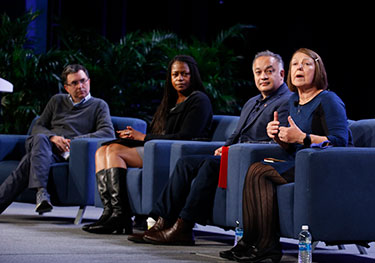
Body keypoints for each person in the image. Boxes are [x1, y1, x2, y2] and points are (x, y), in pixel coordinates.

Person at [127, 50, 292, 245]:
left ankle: (184, 226)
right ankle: (161, 222)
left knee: (211, 165)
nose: (263, 76)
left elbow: (278, 142)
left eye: (269, 71)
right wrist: (225, 147)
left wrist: (234, 151)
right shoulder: (252, 102)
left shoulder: (286, 101)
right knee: (186, 162)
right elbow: (235, 134)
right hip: (235, 155)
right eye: (258, 72)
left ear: (281, 74)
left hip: (255, 160)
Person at [220, 48, 352, 263]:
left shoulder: (328, 100)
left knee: (261, 172)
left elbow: (339, 142)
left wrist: (302, 137)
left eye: (306, 64)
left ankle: (266, 245)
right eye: (295, 64)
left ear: (318, 69)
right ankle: (250, 241)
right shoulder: (293, 102)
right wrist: (279, 136)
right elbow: (291, 147)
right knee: (255, 167)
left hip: (324, 167)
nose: (299, 68)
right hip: (301, 161)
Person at [82, 55, 213, 235]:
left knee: (114, 152)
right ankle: (109, 212)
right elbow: (158, 132)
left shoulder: (199, 100)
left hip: (175, 153)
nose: (180, 78)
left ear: (193, 76)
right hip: (159, 148)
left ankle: (121, 215)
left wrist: (143, 137)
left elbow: (187, 136)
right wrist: (133, 137)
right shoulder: (171, 101)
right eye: (175, 75)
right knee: (102, 150)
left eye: (185, 74)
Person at [0, 64, 115, 215]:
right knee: (40, 139)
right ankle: (41, 192)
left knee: (29, 162)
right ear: (67, 87)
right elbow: (38, 126)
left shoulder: (99, 105)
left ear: (89, 81)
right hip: (45, 145)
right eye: (74, 83)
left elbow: (107, 133)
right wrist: (53, 137)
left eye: (83, 81)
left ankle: (41, 192)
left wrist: (71, 141)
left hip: (67, 153)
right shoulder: (57, 101)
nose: (80, 86)